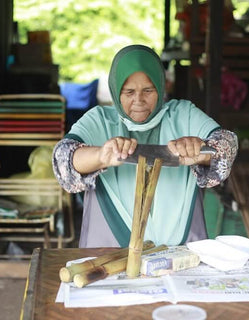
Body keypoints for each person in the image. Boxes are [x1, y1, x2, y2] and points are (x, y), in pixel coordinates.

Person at [53, 44, 238, 248]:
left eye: (148, 90)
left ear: (161, 86)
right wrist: (101, 156)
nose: (139, 100)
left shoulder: (183, 115)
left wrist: (200, 151)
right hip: (111, 251)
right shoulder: (100, 120)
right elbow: (63, 159)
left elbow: (226, 145)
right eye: (129, 92)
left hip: (180, 252)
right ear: (116, 91)